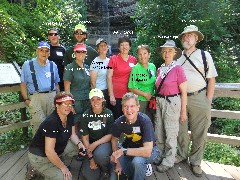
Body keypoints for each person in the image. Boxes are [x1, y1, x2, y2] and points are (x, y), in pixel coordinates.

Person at [176, 25, 218, 177]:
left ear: (196, 39)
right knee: (181, 129)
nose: (187, 38)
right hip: (181, 98)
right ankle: (181, 154)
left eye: (190, 35)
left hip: (200, 97)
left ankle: (196, 161)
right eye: (185, 36)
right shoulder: (178, 57)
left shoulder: (204, 55)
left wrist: (207, 100)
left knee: (199, 132)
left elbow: (211, 79)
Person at [27, 92, 86, 180]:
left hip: (54, 150)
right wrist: (63, 167)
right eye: (65, 104)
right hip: (40, 157)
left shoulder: (69, 115)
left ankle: (55, 164)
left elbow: (73, 135)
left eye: (70, 104)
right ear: (57, 105)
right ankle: (38, 169)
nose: (68, 106)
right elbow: (49, 151)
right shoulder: (51, 122)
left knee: (78, 148)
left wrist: (79, 143)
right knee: (66, 178)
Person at [153, 40, 187, 173]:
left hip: (172, 102)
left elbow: (183, 91)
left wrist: (183, 111)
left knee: (171, 131)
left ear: (174, 53)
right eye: (164, 51)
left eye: (169, 51)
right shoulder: (160, 69)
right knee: (159, 130)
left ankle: (169, 160)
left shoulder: (177, 68)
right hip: (160, 102)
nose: (167, 53)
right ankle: (161, 154)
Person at [110, 92, 157, 180]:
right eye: (126, 106)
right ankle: (137, 170)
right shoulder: (119, 122)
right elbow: (114, 139)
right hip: (129, 149)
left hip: (149, 151)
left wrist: (123, 151)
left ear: (138, 107)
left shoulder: (145, 121)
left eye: (132, 106)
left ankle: (143, 167)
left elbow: (147, 151)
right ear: (122, 108)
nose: (129, 110)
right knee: (113, 166)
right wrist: (118, 162)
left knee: (137, 162)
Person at [20, 41, 60, 136]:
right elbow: (23, 84)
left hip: (52, 97)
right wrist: (26, 99)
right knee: (38, 123)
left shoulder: (52, 65)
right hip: (36, 97)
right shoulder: (28, 65)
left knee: (52, 122)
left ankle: (50, 147)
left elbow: (56, 84)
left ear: (49, 53)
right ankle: (37, 149)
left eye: (47, 51)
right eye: (41, 50)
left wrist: (58, 99)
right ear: (37, 51)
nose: (44, 53)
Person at [80, 88, 114, 180]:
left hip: (104, 143)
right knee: (89, 176)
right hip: (90, 146)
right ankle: (97, 163)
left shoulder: (108, 113)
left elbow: (110, 135)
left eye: (98, 99)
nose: (96, 102)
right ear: (90, 101)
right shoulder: (85, 115)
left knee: (100, 155)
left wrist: (95, 144)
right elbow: (85, 138)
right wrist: (91, 158)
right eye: (93, 99)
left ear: (103, 99)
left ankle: (105, 169)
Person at [107, 36, 137, 120]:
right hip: (116, 95)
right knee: (117, 119)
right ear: (119, 47)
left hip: (129, 95)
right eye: (122, 45)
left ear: (130, 47)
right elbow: (109, 77)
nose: (124, 47)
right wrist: (111, 95)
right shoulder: (112, 59)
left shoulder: (134, 60)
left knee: (129, 117)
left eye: (126, 45)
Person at [63, 43, 90, 135]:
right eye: (78, 51)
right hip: (76, 101)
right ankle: (76, 145)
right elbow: (67, 88)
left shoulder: (87, 67)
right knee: (75, 123)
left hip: (87, 100)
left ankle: (85, 144)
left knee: (85, 123)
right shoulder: (70, 67)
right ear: (75, 53)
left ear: (86, 53)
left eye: (83, 51)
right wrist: (69, 104)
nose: (81, 53)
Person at [128, 44, 156, 123]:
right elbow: (131, 87)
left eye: (144, 53)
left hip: (151, 100)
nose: (142, 56)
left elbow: (155, 82)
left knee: (151, 122)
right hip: (140, 101)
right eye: (140, 54)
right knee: (140, 122)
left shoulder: (152, 66)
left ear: (149, 54)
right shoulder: (135, 68)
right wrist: (145, 94)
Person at [90, 38, 110, 107]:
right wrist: (97, 96)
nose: (103, 47)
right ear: (97, 48)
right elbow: (92, 82)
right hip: (100, 91)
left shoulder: (109, 61)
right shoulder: (95, 62)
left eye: (105, 45)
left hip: (108, 91)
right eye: (101, 46)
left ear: (107, 47)